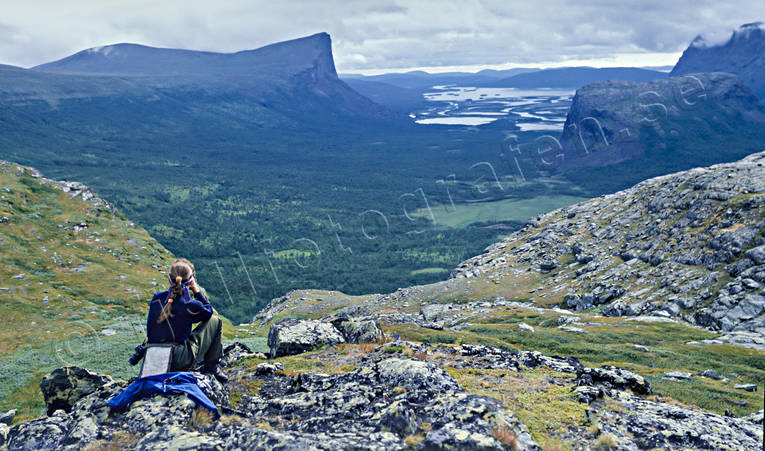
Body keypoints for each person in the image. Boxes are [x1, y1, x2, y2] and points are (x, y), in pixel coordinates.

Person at [146, 258, 227, 383]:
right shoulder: (190, 304)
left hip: (153, 359)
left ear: (169, 279)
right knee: (216, 321)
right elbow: (208, 311)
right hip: (177, 360)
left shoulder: (157, 297)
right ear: (190, 282)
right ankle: (212, 367)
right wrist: (196, 291)